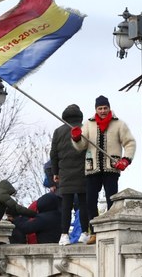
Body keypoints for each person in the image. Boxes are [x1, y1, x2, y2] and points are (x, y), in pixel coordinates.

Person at [71, 95, 136, 244]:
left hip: (111, 168)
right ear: (96, 109)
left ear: (109, 108)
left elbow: (130, 142)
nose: (102, 111)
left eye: (105, 108)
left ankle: (111, 230)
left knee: (112, 199)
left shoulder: (119, 124)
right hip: (92, 168)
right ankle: (94, 232)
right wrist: (76, 138)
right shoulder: (88, 124)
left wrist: (126, 160)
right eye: (100, 108)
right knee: (90, 201)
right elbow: (81, 146)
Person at [51, 104, 90, 245]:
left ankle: (64, 235)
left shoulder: (58, 132)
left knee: (66, 204)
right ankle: (85, 233)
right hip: (83, 171)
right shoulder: (85, 129)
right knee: (84, 203)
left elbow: (53, 154)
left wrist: (55, 172)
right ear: (80, 117)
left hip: (65, 172)